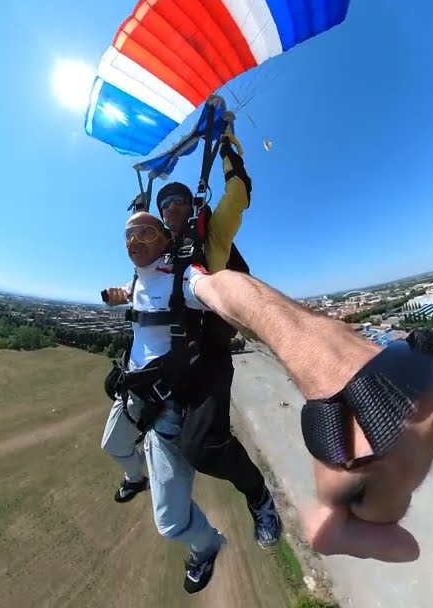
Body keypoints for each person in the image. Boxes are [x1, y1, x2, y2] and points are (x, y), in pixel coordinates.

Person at [157, 268, 433, 564]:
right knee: (332, 527)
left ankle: (261, 499)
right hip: (388, 386)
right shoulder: (331, 330)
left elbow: (406, 550)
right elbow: (236, 294)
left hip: (349, 427)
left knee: (335, 525)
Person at [150, 131, 282, 550]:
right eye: (164, 202)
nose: (172, 206)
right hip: (175, 357)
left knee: (202, 447)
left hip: (209, 355)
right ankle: (140, 474)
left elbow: (238, 194)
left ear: (191, 205)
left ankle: (259, 497)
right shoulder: (159, 255)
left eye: (179, 199)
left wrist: (226, 146)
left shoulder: (211, 239)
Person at [100, 211, 228, 594]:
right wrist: (116, 296)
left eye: (143, 232)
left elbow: (208, 290)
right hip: (136, 389)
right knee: (113, 445)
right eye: (128, 234)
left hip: (170, 403)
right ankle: (137, 477)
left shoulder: (183, 278)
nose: (133, 240)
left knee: (171, 523)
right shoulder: (139, 277)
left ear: (163, 239)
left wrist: (222, 292)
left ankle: (206, 545)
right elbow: (131, 294)